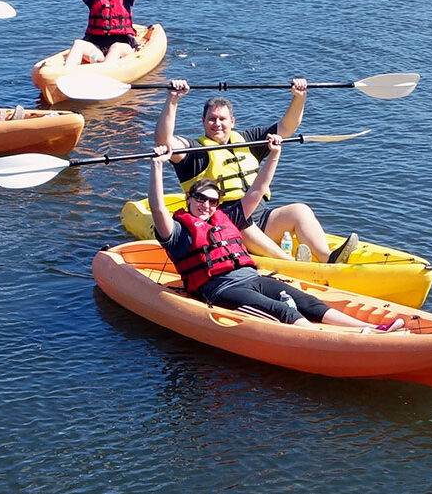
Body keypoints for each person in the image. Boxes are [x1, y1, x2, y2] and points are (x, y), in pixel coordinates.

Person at [148, 144, 402, 332]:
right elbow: (158, 208)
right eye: (200, 199)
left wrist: (274, 154)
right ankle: (330, 339)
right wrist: (157, 166)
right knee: (281, 310)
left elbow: (257, 189)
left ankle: (368, 329)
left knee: (307, 301)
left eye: (212, 201)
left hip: (254, 279)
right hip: (222, 289)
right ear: (189, 199)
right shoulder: (178, 231)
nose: (206, 205)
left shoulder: (226, 217)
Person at [154, 78, 360, 265]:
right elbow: (164, 141)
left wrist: (299, 98)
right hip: (226, 224)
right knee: (244, 225)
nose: (217, 124)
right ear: (203, 122)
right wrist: (173, 100)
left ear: (232, 122)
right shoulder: (195, 153)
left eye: (222, 119)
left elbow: (286, 128)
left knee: (300, 210)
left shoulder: (248, 140)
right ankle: (295, 265)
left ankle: (328, 258)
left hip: (261, 217)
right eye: (211, 119)